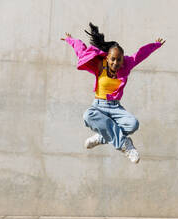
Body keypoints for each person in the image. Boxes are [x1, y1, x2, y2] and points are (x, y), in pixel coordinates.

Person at [61, 23, 165, 163]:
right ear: (107, 58)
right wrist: (71, 40)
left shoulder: (127, 64)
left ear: (123, 60)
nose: (116, 63)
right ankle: (124, 145)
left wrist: (155, 45)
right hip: (98, 105)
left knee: (132, 124)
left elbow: (140, 55)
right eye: (113, 59)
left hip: (115, 107)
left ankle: (103, 137)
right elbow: (81, 50)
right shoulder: (99, 65)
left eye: (119, 60)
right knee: (87, 116)